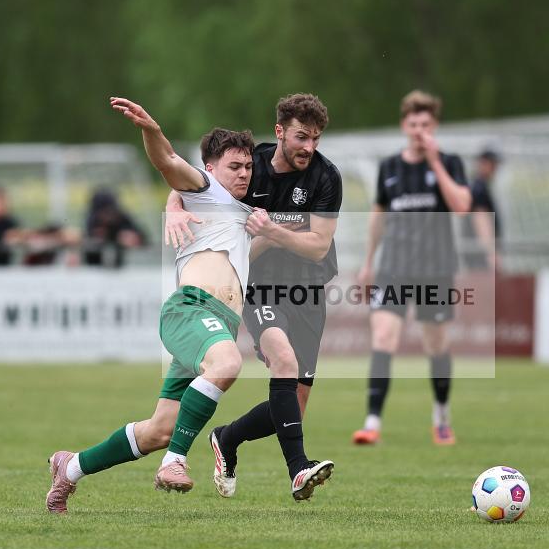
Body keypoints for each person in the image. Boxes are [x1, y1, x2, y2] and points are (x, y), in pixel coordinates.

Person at [46, 97, 261, 512]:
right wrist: (151, 129)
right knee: (228, 366)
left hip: (216, 324)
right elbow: (167, 162)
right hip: (192, 310)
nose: (244, 174)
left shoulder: (246, 209)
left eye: (249, 167)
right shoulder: (205, 189)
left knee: (160, 429)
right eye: (235, 166)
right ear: (211, 168)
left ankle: (69, 468)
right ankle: (174, 463)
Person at [170, 93, 341, 501]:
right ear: (280, 131)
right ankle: (298, 470)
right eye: (302, 137)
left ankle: (226, 438)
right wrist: (173, 206)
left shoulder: (325, 177)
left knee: (292, 409)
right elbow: (193, 181)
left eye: (316, 139)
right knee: (283, 359)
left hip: (309, 288)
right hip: (258, 285)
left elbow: (318, 246)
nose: (309, 147)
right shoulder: (250, 166)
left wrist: (269, 231)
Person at [351, 90, 470, 446]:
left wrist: (434, 162)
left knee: (436, 345)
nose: (419, 130)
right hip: (394, 268)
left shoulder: (449, 162)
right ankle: (372, 422)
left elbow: (462, 206)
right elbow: (379, 217)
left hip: (435, 268)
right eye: (414, 123)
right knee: (383, 337)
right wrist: (369, 263)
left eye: (426, 124)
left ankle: (441, 415)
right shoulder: (389, 167)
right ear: (405, 125)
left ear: (435, 127)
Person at [83, 186, 148, 268]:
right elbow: (87, 240)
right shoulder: (93, 220)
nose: (108, 216)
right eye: (105, 212)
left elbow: (142, 238)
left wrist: (135, 238)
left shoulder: (122, 217)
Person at [463, 149, 501, 271]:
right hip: (480, 256)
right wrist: (491, 253)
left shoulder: (475, 185)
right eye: (492, 165)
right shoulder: (479, 188)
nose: (495, 169)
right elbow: (481, 219)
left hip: (475, 254)